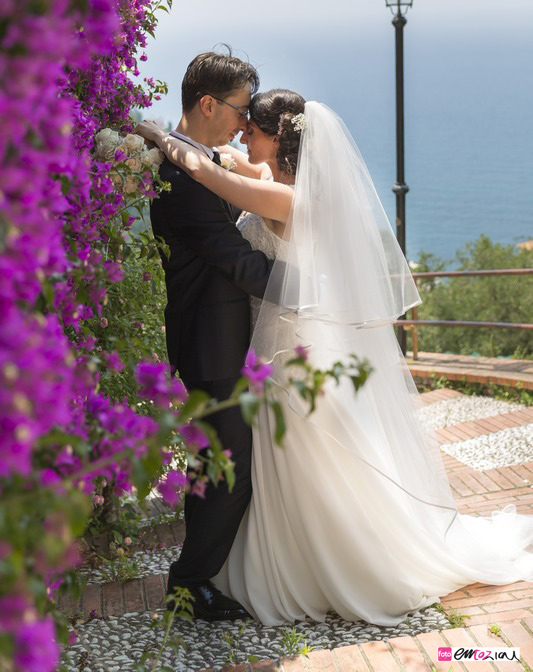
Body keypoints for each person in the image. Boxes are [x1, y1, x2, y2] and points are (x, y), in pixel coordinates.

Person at [138, 90, 533, 627]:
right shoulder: (274, 183)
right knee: (283, 465)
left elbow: (209, 176)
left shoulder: (288, 200)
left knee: (299, 464)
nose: (243, 136)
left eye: (252, 129)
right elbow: (230, 164)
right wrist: (213, 150)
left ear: (279, 138)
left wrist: (160, 136)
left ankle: (328, 568)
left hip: (285, 357)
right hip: (276, 349)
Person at [145, 51, 277, 622]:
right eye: (240, 110)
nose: (243, 125)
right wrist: (319, 287)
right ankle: (191, 583)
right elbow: (239, 262)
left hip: (216, 338)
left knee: (211, 466)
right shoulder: (182, 178)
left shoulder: (195, 159)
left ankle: (191, 579)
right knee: (232, 473)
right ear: (207, 104)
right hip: (211, 343)